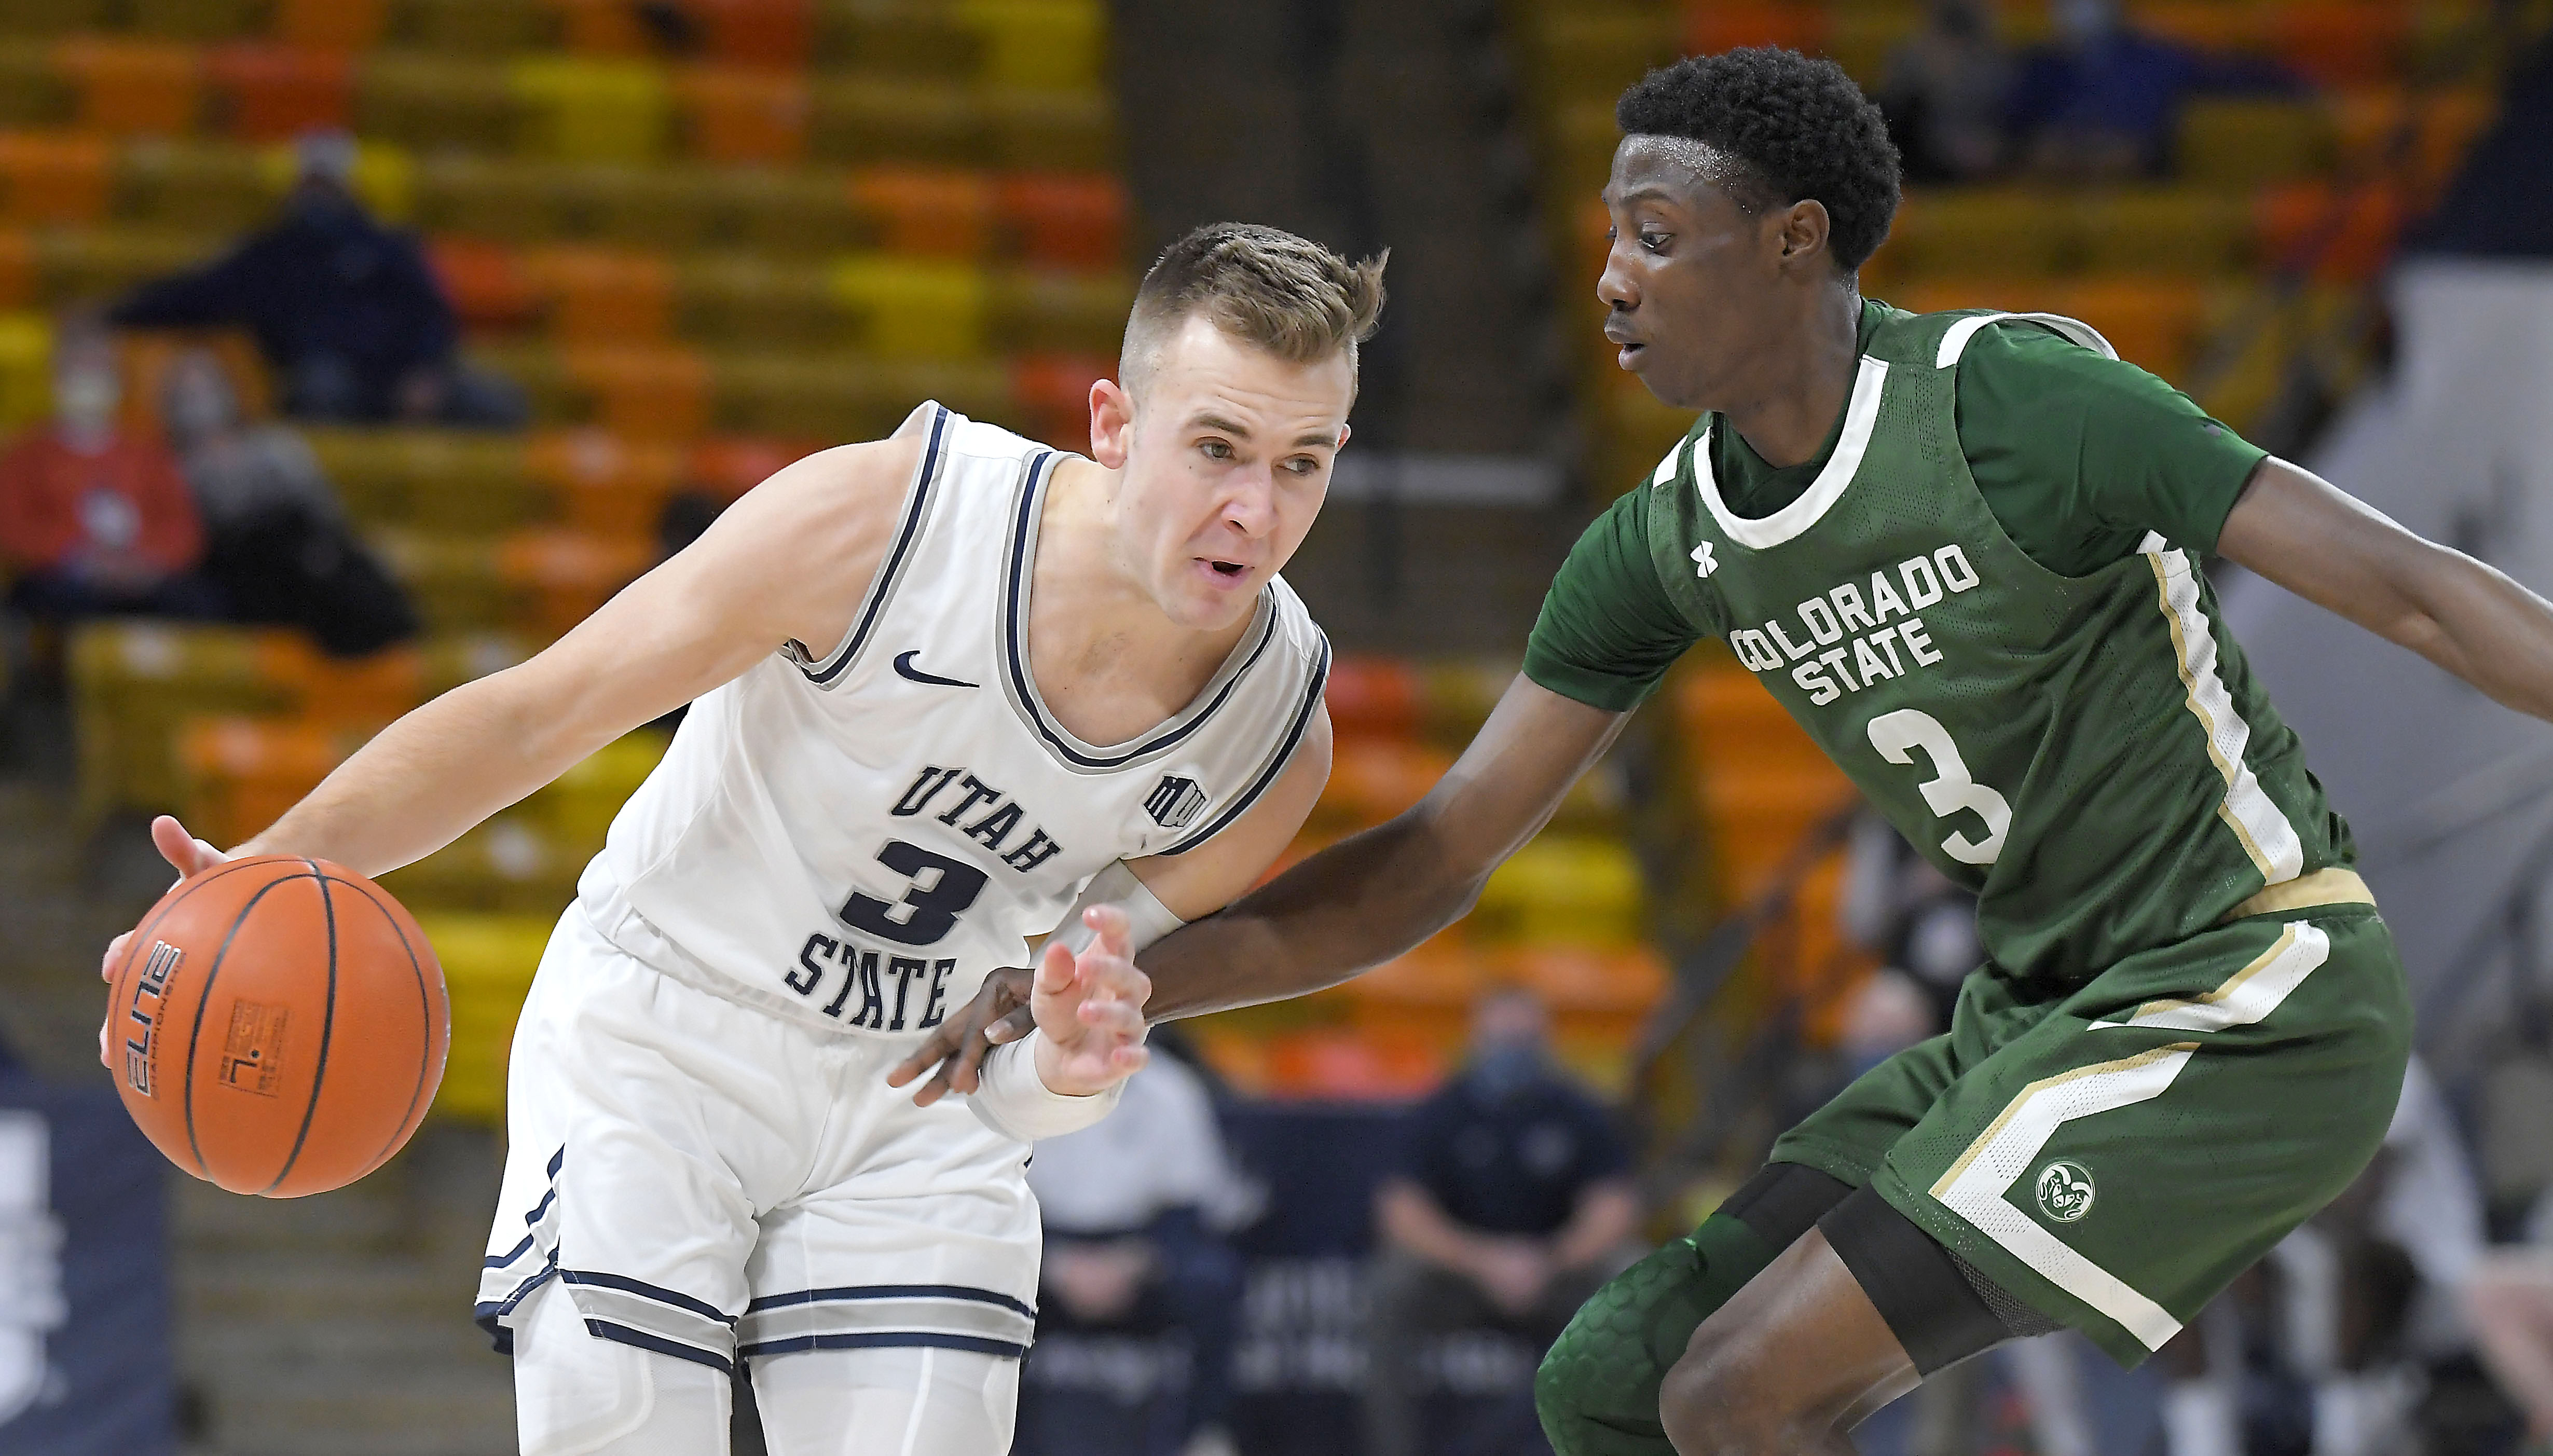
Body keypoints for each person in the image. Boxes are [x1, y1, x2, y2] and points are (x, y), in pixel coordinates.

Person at [906, 46, 2553, 1456]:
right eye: (1606, 237)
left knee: (1741, 1386)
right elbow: (1440, 853)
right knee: (1617, 1382)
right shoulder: (1666, 540)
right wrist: (1134, 973)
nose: (1611, 280)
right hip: (2036, 1014)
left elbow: (2412, 588)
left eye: (1655, 235)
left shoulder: (2011, 401)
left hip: (2252, 983)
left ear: (1790, 242)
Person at [98, 222, 1383, 1454]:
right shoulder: (886, 521)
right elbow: (538, 713)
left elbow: (1025, 1032)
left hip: (911, 1100)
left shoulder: (1271, 739)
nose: (1252, 511)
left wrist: (1072, 1065)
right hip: (665, 1032)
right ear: (1113, 423)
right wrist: (261, 867)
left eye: (1300, 463)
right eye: (1216, 447)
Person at [1364, 986, 1640, 1456]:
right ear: (1476, 1040)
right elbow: (1401, 1211)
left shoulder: (1578, 1110)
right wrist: (1485, 1261)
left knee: (1634, 1276)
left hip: (1555, 1274)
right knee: (1390, 1287)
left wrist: (1549, 1260)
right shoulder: (1441, 1110)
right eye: (1503, 1041)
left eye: (1523, 1041)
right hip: (1463, 1278)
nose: (1513, 1054)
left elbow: (1614, 1207)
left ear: (1546, 1042)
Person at [106, 132, 524, 428]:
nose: (319, 194)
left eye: (329, 182)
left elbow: (430, 313)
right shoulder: (272, 254)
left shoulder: (389, 246)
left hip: (400, 378)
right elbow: (196, 294)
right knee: (322, 388)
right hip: (325, 380)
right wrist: (114, 314)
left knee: (499, 403)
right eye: (313, 181)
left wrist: (425, 371)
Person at [1021, 1037, 1256, 1456]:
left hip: (1138, 1250)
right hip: (1041, 1247)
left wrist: (1133, 1263)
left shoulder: (1170, 1088)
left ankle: (1204, 1434)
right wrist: (1054, 1263)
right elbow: (1001, 1200)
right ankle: (993, 1434)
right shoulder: (1021, 1081)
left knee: (1214, 1281)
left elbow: (1188, 1211)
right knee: (976, 1279)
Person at [160, 349, 418, 658]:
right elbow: (194, 537)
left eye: (206, 388)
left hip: (299, 551)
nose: (200, 405)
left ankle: (396, 637)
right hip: (241, 571)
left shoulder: (275, 446)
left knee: (335, 567)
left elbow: (323, 511)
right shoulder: (171, 469)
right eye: (187, 394)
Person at [0, 328, 215, 624]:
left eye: (99, 370)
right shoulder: (25, 454)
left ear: (117, 380)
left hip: (144, 577)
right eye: (79, 370)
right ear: (56, 379)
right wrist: (79, 556)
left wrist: (144, 561)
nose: (89, 382)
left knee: (198, 601)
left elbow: (183, 527)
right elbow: (13, 528)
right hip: (64, 582)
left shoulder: (149, 452)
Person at [1877, 0, 2014, 184]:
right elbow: (1894, 119)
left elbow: (2008, 116)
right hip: (1923, 162)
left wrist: (1992, 146)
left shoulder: (1996, 62)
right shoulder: (1911, 57)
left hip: (1986, 158)